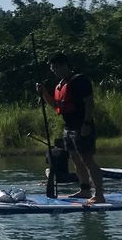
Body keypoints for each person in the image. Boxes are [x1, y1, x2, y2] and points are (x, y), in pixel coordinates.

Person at [37, 52, 105, 204]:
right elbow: (56, 106)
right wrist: (44, 93)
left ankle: (99, 194)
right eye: (52, 68)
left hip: (82, 125)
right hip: (68, 127)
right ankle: (85, 190)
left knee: (87, 160)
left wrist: (86, 123)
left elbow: (89, 103)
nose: (55, 71)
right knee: (75, 159)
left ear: (65, 65)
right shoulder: (60, 85)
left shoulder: (79, 81)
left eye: (56, 67)